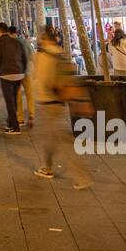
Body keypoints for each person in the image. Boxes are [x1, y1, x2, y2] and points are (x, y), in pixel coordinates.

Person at [29, 29, 92, 188]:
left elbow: (44, 80)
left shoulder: (43, 56)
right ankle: (46, 167)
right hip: (58, 101)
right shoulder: (61, 53)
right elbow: (71, 76)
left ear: (44, 40)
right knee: (50, 137)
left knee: (62, 140)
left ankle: (82, 176)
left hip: (48, 101)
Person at [0, 22, 27, 135]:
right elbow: (24, 58)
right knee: (14, 99)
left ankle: (15, 127)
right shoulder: (17, 42)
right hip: (19, 73)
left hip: (6, 74)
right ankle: (10, 123)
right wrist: (22, 71)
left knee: (9, 101)